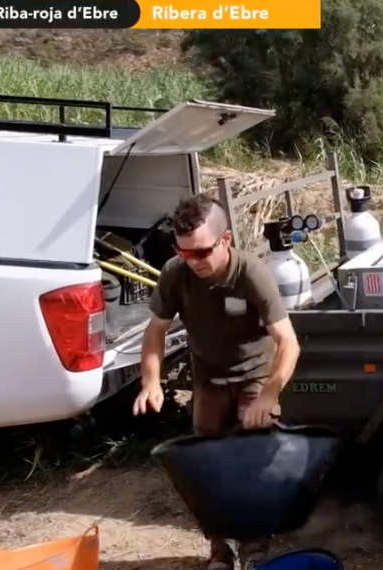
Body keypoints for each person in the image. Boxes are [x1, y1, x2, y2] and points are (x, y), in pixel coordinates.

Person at [132, 194, 301, 570]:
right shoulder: (176, 272)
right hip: (208, 376)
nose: (194, 261)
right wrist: (151, 381)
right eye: (185, 252)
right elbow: (155, 330)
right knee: (206, 466)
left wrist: (269, 394)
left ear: (225, 240)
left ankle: (255, 548)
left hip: (255, 375)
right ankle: (219, 548)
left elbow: (288, 342)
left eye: (202, 252)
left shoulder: (251, 273)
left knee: (252, 462)